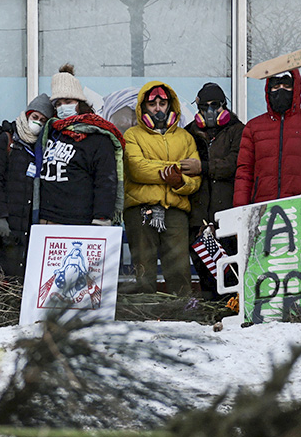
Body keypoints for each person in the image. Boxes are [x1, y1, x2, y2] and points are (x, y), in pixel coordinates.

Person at [123, 81, 201, 296]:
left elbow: (195, 180)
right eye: (152, 104)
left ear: (171, 105)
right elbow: (137, 169)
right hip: (140, 209)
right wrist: (175, 171)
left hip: (176, 209)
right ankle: (144, 311)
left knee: (179, 267)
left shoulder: (185, 137)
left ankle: (183, 311)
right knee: (143, 267)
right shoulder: (131, 135)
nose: (158, 108)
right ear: (143, 108)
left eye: (162, 103)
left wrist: (180, 183)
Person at [37, 64, 123, 227]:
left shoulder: (98, 137)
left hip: (80, 220)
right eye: (58, 104)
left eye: (68, 101)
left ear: (80, 103)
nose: (63, 107)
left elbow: (105, 180)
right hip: (47, 219)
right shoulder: (50, 131)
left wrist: (102, 217)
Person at [0, 93, 53, 277]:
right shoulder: (7, 140)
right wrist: (0, 217)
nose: (37, 123)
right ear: (27, 115)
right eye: (34, 117)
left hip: (24, 229)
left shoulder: (41, 148)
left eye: (43, 120)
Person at [185, 82, 244, 297]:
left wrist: (203, 168)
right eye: (205, 106)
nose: (210, 111)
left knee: (231, 272)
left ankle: (231, 310)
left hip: (226, 214)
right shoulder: (188, 133)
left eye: (215, 105)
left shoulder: (238, 130)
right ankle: (211, 315)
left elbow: (235, 163)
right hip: (198, 217)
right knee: (205, 275)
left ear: (224, 106)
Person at [234, 71, 301, 207]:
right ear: (268, 90)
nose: (281, 91)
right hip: (263, 208)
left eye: (287, 86)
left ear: (295, 88)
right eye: (276, 87)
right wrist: (240, 209)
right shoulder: (254, 126)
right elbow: (245, 171)